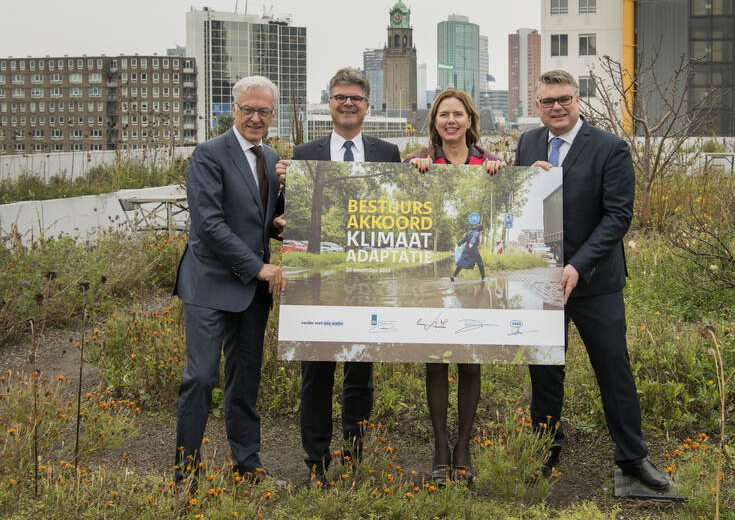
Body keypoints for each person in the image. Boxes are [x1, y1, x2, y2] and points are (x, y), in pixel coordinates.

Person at [515, 70, 669, 489]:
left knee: (613, 370)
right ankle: (545, 450)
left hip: (595, 282)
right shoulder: (528, 144)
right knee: (545, 372)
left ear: (578, 100)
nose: (557, 108)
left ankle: (633, 458)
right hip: (543, 281)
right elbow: (517, 205)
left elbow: (618, 216)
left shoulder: (609, 148)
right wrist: (525, 181)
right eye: (547, 101)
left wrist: (577, 266)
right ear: (538, 106)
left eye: (564, 99)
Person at [285, 68, 401, 487]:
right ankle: (316, 462)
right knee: (316, 374)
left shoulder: (388, 154)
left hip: (367, 281)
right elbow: (290, 218)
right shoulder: (303, 155)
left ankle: (353, 457)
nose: (347, 103)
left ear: (368, 106)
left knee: (360, 375)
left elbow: (400, 213)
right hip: (317, 283)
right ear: (329, 103)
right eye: (339, 97)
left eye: (355, 97)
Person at [173, 75, 287, 485]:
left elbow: (260, 223)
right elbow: (208, 225)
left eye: (264, 111)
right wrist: (259, 267)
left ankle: (248, 465)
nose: (256, 118)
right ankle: (185, 472)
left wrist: (279, 224)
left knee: (245, 382)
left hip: (251, 292)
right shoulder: (208, 154)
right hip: (209, 282)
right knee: (201, 377)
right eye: (248, 109)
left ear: (273, 115)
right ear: (232, 109)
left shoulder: (271, 159)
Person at [405, 88, 504, 485]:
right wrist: (413, 175)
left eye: (457, 114)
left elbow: (510, 203)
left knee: (470, 360)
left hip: (473, 279)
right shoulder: (417, 161)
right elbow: (401, 210)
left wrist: (503, 175)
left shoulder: (489, 161)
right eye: (443, 114)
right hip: (433, 267)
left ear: (469, 120)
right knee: (436, 358)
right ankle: (441, 447)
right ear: (434, 122)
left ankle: (464, 445)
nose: (450, 120)